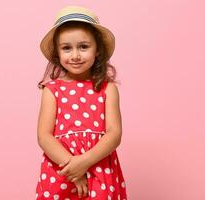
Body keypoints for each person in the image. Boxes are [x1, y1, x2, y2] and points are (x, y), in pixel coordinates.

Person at [35, 5, 128, 200]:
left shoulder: (107, 88)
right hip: (61, 168)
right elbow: (44, 136)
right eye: (66, 48)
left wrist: (84, 163)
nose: (75, 55)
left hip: (99, 167)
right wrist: (73, 169)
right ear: (57, 54)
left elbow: (114, 134)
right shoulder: (52, 90)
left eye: (83, 47)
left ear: (97, 51)